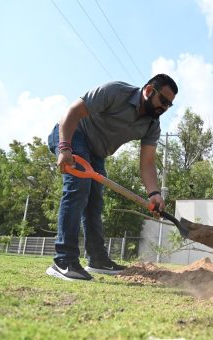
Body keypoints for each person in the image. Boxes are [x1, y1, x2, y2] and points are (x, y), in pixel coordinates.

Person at [46, 74, 178, 281]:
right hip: (74, 136)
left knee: (94, 203)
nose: (165, 108)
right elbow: (72, 113)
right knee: (78, 189)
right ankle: (63, 260)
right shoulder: (115, 92)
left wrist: (154, 193)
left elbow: (147, 163)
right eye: (163, 101)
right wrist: (64, 147)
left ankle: (97, 259)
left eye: (170, 105)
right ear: (149, 90)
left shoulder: (152, 125)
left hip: (97, 153)